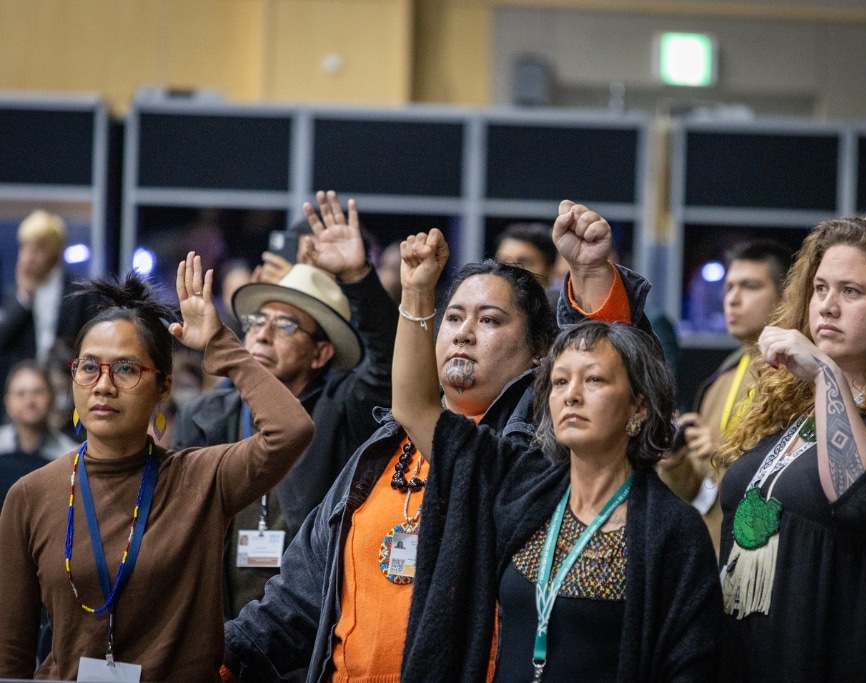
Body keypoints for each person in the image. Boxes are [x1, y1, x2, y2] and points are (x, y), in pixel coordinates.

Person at [221, 200, 654, 682]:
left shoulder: (537, 449)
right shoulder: (381, 449)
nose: (464, 333)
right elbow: (296, 600)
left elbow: (610, 375)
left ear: (539, 354)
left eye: (489, 321)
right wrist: (210, 658)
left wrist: (592, 276)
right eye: (452, 318)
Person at [392, 231, 722, 681]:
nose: (572, 396)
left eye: (594, 381)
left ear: (639, 405)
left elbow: (691, 668)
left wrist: (590, 273)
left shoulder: (672, 529)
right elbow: (414, 407)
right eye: (561, 382)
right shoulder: (521, 482)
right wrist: (416, 290)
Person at [0, 253, 314, 681]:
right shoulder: (30, 495)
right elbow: (11, 650)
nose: (104, 385)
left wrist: (224, 347)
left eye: (126, 369)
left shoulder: (200, 478)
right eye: (89, 367)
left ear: (163, 385)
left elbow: (290, 430)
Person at [716, 212, 866, 681]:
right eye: (820, 288)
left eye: (851, 292)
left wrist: (828, 377)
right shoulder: (790, 402)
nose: (827, 306)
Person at [173, 191, 397, 619]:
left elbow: (386, 363)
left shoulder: (341, 408)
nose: (262, 333)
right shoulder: (205, 419)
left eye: (287, 324)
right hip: (214, 628)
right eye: (258, 320)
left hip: (308, 634)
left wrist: (357, 277)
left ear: (321, 354)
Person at [659, 240, 791, 557]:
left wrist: (722, 450)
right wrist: (674, 458)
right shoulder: (722, 378)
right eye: (729, 286)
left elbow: (793, 484)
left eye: (750, 286)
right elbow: (690, 492)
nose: (732, 298)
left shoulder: (795, 378)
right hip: (712, 554)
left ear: (787, 296)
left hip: (766, 558)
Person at [0, 210, 97, 422]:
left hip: (66, 393)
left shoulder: (79, 293)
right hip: (23, 393)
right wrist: (24, 296)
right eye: (25, 247)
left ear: (54, 253)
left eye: (37, 248)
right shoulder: (13, 295)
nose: (29, 256)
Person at [0, 361, 78, 510]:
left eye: (37, 392)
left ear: (52, 398)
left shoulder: (70, 456)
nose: (29, 401)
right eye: (21, 394)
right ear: (7, 403)